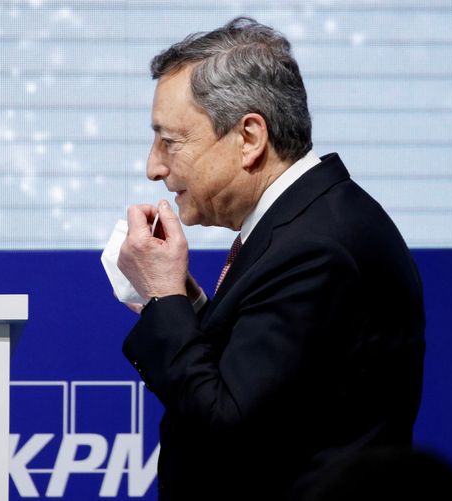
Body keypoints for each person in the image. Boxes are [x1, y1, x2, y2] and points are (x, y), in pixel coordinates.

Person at [116, 17, 425, 500]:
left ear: (250, 138)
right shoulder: (307, 222)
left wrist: (163, 297)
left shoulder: (315, 246)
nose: (153, 167)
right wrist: (193, 309)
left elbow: (226, 429)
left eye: (170, 141)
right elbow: (271, 387)